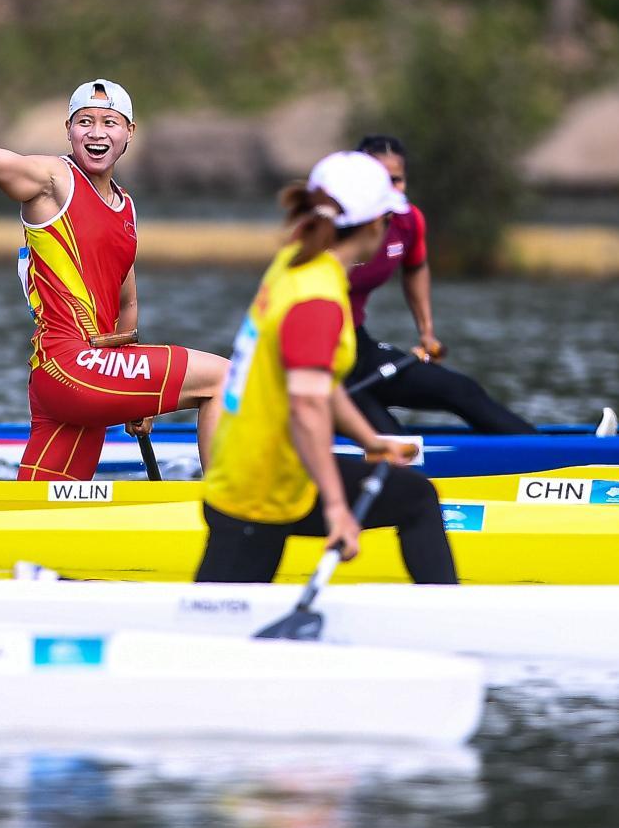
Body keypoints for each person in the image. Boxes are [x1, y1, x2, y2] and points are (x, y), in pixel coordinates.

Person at [0, 77, 228, 481]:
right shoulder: (54, 181)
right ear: (68, 130)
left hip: (79, 376)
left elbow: (127, 303)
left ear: (130, 133)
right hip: (71, 367)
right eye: (84, 122)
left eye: (110, 122)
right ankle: (225, 513)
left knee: (36, 515)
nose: (97, 133)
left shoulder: (126, 208)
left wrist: (136, 400)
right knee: (223, 378)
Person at [196, 151, 458, 585]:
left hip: (253, 470)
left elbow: (321, 383)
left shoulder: (298, 263)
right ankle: (450, 624)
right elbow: (307, 406)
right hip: (264, 485)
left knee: (414, 496)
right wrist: (338, 508)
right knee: (418, 497)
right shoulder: (317, 296)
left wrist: (370, 441)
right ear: (375, 225)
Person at [343, 134, 537, 436]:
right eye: (381, 180)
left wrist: (426, 332)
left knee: (462, 390)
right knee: (395, 441)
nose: (391, 190)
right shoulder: (333, 235)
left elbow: (415, 267)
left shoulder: (409, 222)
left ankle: (552, 457)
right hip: (316, 363)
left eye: (397, 180)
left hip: (357, 348)